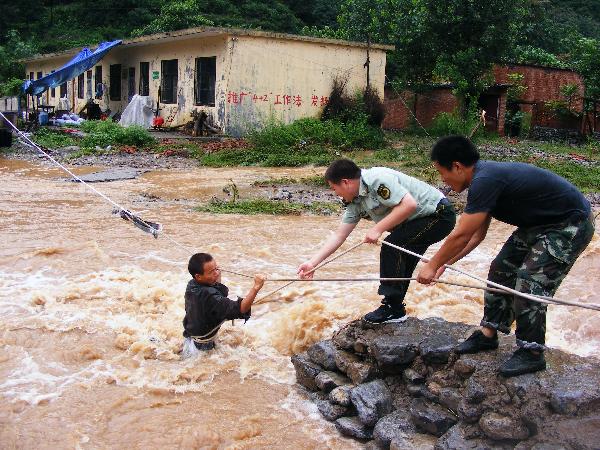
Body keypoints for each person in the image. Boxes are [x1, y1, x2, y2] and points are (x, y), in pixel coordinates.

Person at [417, 135, 594, 377]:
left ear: (457, 166)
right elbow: (474, 237)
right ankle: (489, 333)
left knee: (530, 282)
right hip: (539, 224)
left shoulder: (485, 180)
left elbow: (460, 235)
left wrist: (431, 265)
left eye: (442, 172)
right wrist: (444, 264)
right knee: (501, 268)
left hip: (570, 224)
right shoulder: (482, 181)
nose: (443, 180)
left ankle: (532, 352)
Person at [298, 159, 456, 324]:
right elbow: (339, 235)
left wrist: (377, 229)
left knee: (391, 246)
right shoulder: (355, 201)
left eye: (334, 188)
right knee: (401, 259)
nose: (336, 193)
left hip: (438, 215)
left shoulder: (376, 179)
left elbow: (408, 204)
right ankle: (395, 309)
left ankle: (392, 309)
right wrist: (312, 263)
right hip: (417, 222)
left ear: (345, 182)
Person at [182, 253, 266, 353]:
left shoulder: (192, 285)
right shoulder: (211, 297)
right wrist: (256, 288)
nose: (216, 273)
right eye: (211, 272)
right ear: (198, 276)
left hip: (190, 339)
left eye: (216, 269)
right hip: (202, 348)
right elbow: (241, 308)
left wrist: (214, 272)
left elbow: (216, 292)